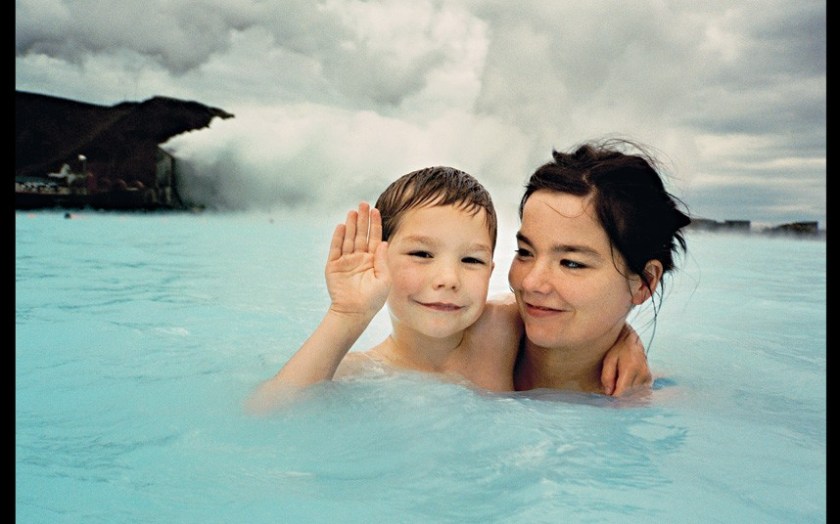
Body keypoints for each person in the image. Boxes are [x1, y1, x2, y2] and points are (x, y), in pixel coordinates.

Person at [246, 165, 650, 413]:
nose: (448, 278)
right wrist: (347, 315)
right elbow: (270, 412)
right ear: (377, 258)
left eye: (471, 260)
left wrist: (625, 337)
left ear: (491, 269)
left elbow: (579, 312)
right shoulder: (364, 372)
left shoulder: (498, 330)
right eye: (422, 254)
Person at [509, 138, 691, 393]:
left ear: (645, 283)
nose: (530, 283)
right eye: (525, 252)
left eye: (571, 263)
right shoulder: (466, 348)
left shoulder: (652, 403)